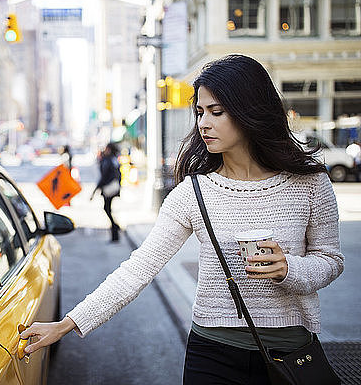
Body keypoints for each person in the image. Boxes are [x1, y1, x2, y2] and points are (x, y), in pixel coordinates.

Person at [19, 54, 344, 384]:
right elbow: (139, 268)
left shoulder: (310, 183)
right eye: (200, 112)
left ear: (250, 111)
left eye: (217, 112)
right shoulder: (194, 192)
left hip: (290, 353)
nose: (204, 123)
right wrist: (68, 323)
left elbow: (330, 261)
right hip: (213, 355)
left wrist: (289, 269)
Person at [91, 142, 121, 242]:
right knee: (107, 209)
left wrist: (94, 192)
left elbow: (103, 177)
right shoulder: (113, 159)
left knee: (107, 209)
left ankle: (115, 231)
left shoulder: (108, 160)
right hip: (113, 188)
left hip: (108, 189)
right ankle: (115, 230)